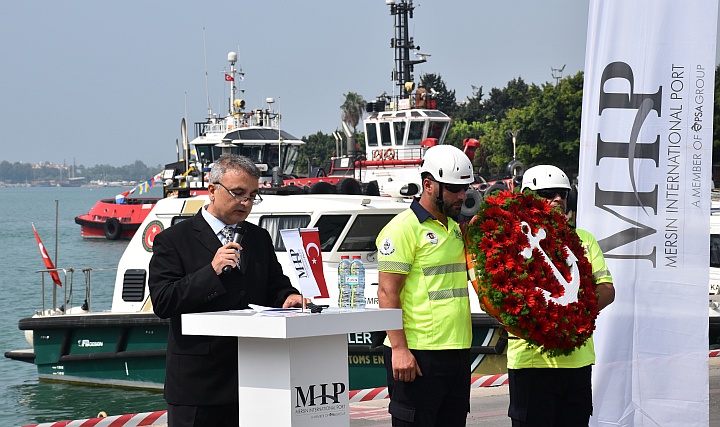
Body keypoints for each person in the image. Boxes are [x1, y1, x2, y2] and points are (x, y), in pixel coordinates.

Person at [148, 154, 304, 427]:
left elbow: (274, 286)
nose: (246, 203)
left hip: (256, 378)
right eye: (239, 193)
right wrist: (211, 272)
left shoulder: (258, 237)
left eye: (253, 195)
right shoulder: (173, 240)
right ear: (212, 190)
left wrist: (288, 297)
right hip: (199, 385)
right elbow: (163, 302)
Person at [508, 164, 615, 426]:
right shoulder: (512, 243)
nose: (557, 199)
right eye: (547, 193)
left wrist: (569, 319)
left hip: (577, 362)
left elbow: (607, 289)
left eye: (562, 194)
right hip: (532, 364)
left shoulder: (584, 239)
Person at [376, 144, 475, 426]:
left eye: (464, 188)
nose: (462, 195)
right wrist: (399, 349)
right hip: (418, 355)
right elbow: (387, 292)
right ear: (429, 185)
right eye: (453, 188)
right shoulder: (402, 228)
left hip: (456, 351)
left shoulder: (455, 228)